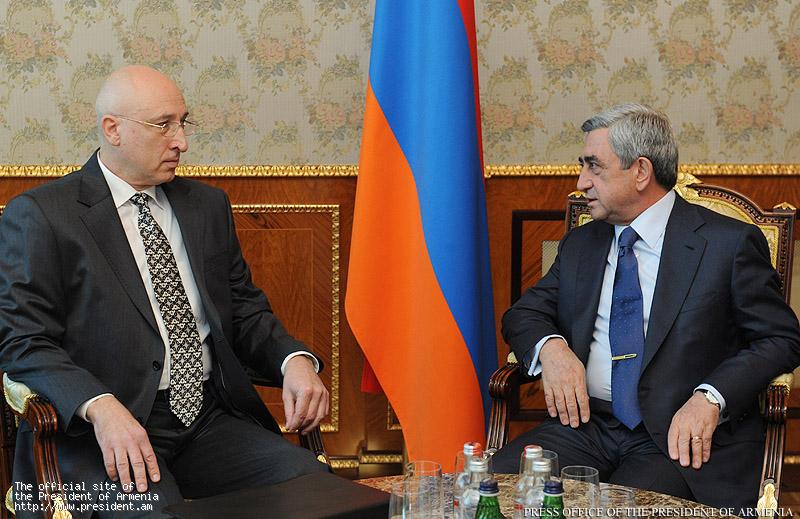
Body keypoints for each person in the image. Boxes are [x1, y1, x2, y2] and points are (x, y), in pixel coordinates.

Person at [0, 65, 329, 517]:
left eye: (183, 122)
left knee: (314, 490)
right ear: (113, 130)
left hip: (206, 419)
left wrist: (294, 361)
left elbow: (244, 311)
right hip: (100, 431)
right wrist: (100, 407)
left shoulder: (206, 206)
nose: (182, 142)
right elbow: (23, 340)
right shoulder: (43, 215)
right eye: (163, 125)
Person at [492, 104, 800, 511]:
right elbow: (524, 314)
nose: (581, 182)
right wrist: (553, 349)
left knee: (622, 511)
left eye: (594, 166)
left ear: (640, 171)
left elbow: (781, 339)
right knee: (488, 492)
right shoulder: (583, 243)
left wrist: (712, 397)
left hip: (677, 440)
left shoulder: (727, 244)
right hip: (585, 427)